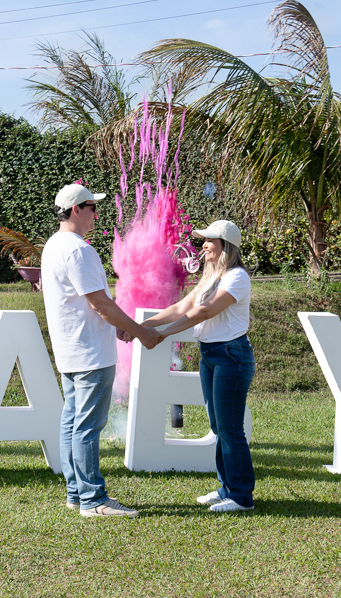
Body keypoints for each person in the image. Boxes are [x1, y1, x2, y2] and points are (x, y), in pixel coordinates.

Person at [42, 183, 160, 518]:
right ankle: (93, 500)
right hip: (90, 352)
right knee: (87, 427)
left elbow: (96, 304)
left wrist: (119, 323)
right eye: (92, 206)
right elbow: (100, 304)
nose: (97, 213)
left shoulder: (53, 245)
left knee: (73, 423)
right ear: (77, 209)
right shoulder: (79, 250)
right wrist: (140, 332)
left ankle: (77, 494)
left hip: (71, 350)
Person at [141, 220, 257, 513]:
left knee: (230, 429)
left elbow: (204, 311)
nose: (203, 245)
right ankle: (227, 488)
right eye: (203, 241)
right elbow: (182, 307)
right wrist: (145, 325)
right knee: (220, 427)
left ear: (225, 247)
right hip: (212, 355)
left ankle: (242, 497)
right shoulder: (210, 278)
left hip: (232, 355)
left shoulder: (237, 277)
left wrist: (163, 334)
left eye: (209, 241)